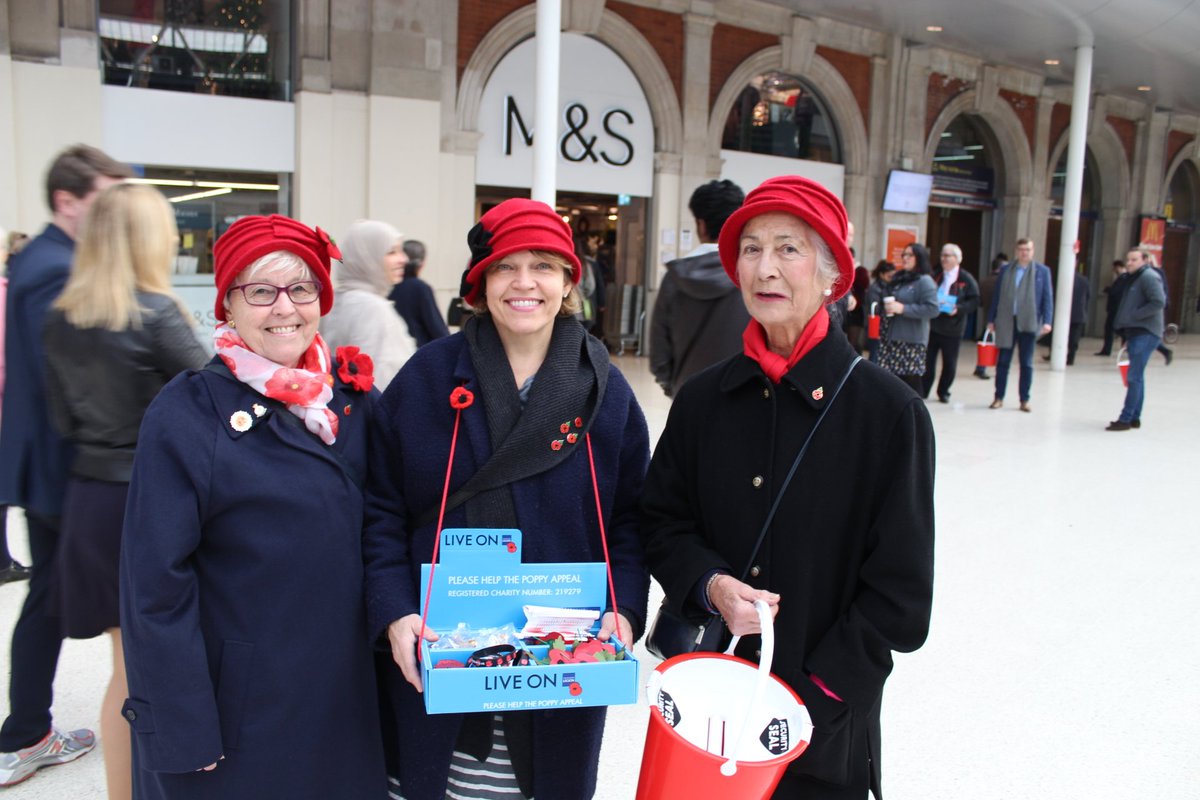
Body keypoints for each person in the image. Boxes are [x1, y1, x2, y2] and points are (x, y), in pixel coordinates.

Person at [640, 175, 934, 800]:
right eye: (751, 249)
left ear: (833, 276)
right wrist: (710, 584)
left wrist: (815, 695)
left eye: (789, 248)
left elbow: (901, 598)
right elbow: (660, 521)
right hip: (708, 708)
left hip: (822, 727)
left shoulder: (887, 415)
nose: (765, 268)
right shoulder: (703, 401)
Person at [364, 198, 650, 800]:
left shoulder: (606, 391)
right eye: (505, 267)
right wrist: (394, 610)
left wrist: (622, 609)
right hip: (438, 642)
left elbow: (629, 520)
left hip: (561, 647)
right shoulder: (428, 377)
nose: (525, 283)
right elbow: (380, 506)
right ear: (481, 283)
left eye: (544, 265)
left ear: (569, 282)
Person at [119, 215, 387, 798]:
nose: (284, 307)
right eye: (260, 291)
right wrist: (182, 725)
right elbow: (153, 587)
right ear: (228, 307)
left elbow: (391, 526)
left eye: (302, 288)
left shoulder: (352, 401)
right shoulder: (188, 413)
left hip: (342, 697)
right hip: (241, 708)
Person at [42, 183, 207, 800]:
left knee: (125, 671)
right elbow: (210, 395)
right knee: (152, 670)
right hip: (150, 504)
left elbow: (61, 421)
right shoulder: (157, 313)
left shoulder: (62, 316)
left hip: (90, 499)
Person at [0, 144, 131, 787]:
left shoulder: (46, 258)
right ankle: (24, 732)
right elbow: (80, 376)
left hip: (51, 461)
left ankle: (27, 728)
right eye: (104, 199)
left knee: (47, 599)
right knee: (59, 602)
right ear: (67, 201)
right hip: (61, 465)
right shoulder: (55, 268)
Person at [650, 179, 748, 397]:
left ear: (700, 224)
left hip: (688, 396)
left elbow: (659, 356)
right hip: (746, 398)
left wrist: (675, 388)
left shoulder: (674, 279)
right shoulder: (754, 276)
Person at [320, 219, 417, 389]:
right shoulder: (372, 307)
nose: (404, 259)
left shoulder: (335, 299)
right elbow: (377, 380)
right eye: (392, 252)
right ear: (367, 258)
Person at [986, 238, 1053, 412]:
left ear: (1033, 251)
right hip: (1007, 320)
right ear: (1016, 251)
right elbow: (997, 296)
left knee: (1027, 363)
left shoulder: (1042, 271)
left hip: (1029, 321)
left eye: (1028, 249)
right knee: (1003, 362)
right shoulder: (1006, 270)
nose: (1024, 252)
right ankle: (998, 397)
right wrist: (991, 319)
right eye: (1021, 249)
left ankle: (1024, 399)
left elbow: (1047, 297)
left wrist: (1047, 320)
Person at [866, 242, 939, 393]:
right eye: (904, 254)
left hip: (910, 342)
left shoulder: (924, 281)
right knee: (890, 385)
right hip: (890, 338)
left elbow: (933, 309)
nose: (905, 258)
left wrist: (903, 308)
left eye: (909, 255)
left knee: (910, 386)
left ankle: (915, 415)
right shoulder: (900, 278)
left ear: (919, 258)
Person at [1106, 250, 1166, 431]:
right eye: (1128, 259)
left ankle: (1125, 419)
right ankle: (1134, 417)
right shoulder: (1133, 278)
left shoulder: (1148, 277)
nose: (1129, 263)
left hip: (1145, 332)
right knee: (1137, 376)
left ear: (1145, 260)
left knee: (1133, 376)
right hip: (1136, 332)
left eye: (1134, 259)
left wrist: (1134, 316)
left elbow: (1158, 302)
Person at [923, 243, 980, 402]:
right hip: (933, 325)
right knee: (928, 361)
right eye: (942, 255)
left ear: (957, 259)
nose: (944, 259)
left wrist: (959, 308)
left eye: (948, 256)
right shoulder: (936, 275)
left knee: (949, 363)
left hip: (953, 327)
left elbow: (975, 300)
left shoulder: (966, 278)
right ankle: (924, 389)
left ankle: (943, 391)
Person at [389, 239, 450, 346]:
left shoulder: (387, 286)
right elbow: (436, 327)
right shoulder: (419, 287)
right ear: (421, 262)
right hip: (418, 353)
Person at [1095, 259, 1128, 356]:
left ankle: (1107, 349)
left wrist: (1108, 289)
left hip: (1116, 309)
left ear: (1118, 267)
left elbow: (1116, 292)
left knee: (1111, 329)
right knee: (1117, 329)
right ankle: (1121, 346)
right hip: (1117, 309)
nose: (1113, 270)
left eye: (1114, 268)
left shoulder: (1123, 278)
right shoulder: (1123, 278)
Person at [1146, 254, 1173, 366]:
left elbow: (1163, 291)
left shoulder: (1155, 273)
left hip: (1152, 309)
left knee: (1150, 334)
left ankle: (1165, 350)